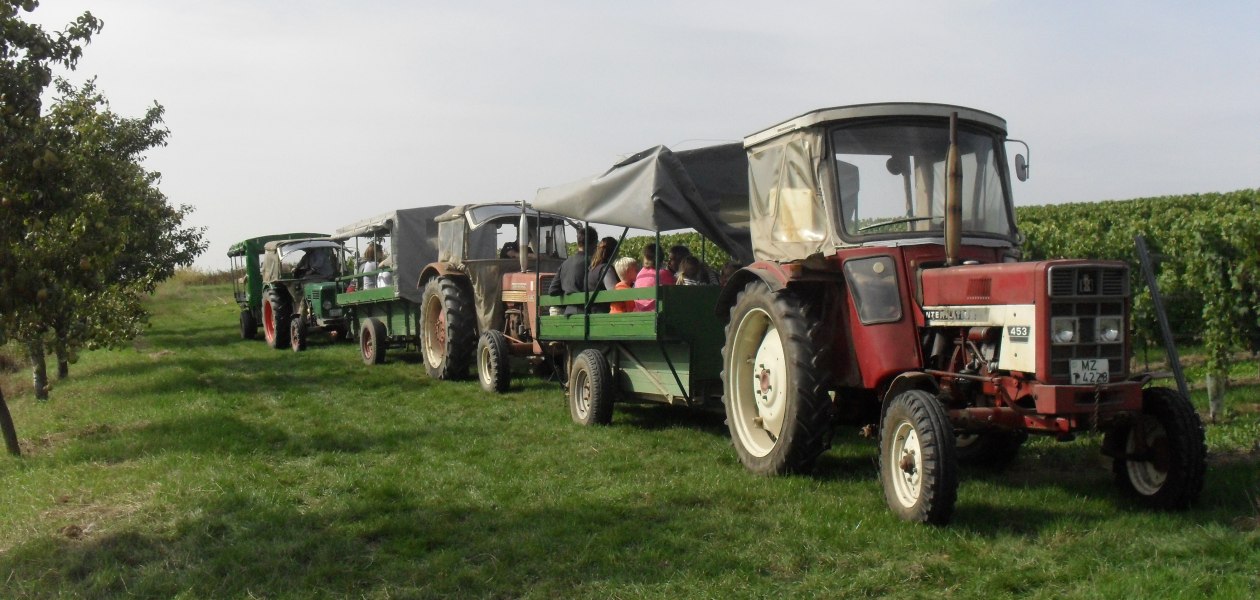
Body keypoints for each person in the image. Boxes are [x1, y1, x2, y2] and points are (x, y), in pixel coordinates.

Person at [548, 225, 598, 315]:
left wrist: (569, 293)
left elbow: (552, 290)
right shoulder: (593, 262)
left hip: (568, 313)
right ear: (594, 243)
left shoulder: (565, 263)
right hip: (586, 313)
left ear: (578, 242)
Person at [633, 242, 675, 312]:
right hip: (656, 312)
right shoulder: (663, 274)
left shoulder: (640, 273)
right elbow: (675, 292)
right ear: (660, 258)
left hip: (640, 311)